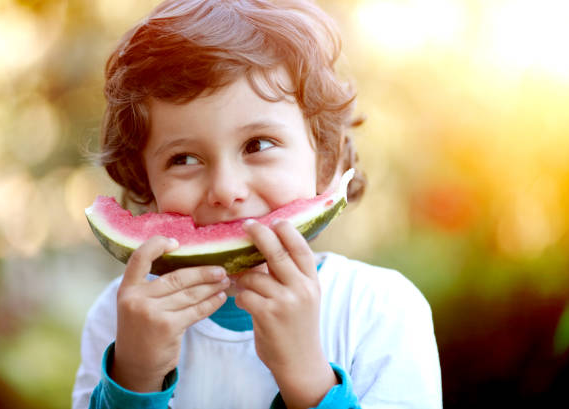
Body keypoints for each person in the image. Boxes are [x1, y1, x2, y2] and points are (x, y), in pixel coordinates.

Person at [72, 0, 442, 408]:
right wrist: (134, 380)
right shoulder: (121, 317)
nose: (226, 189)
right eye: (184, 159)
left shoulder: (379, 309)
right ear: (146, 181)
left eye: (258, 145)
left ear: (326, 159)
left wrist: (307, 376)